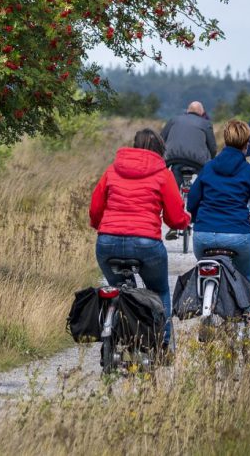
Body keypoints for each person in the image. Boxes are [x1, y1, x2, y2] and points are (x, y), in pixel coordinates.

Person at [89, 129, 190, 349]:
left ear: (134, 145)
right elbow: (174, 218)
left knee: (116, 288)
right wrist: (184, 222)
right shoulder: (163, 174)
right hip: (145, 243)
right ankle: (163, 343)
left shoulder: (112, 170)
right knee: (159, 290)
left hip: (108, 241)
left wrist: (102, 227)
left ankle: (122, 330)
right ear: (160, 149)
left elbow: (96, 207)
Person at [187, 120, 250, 336]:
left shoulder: (208, 167)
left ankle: (206, 307)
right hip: (237, 237)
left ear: (225, 139)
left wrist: (198, 220)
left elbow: (191, 202)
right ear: (247, 144)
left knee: (205, 269)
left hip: (203, 237)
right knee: (249, 272)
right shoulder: (249, 171)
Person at [161, 101, 217, 239]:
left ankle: (173, 225)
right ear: (202, 113)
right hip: (198, 162)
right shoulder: (206, 124)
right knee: (203, 187)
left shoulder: (174, 120)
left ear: (187, 111)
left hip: (175, 159)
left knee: (173, 191)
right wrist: (210, 159)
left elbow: (161, 139)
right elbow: (213, 148)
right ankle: (197, 217)